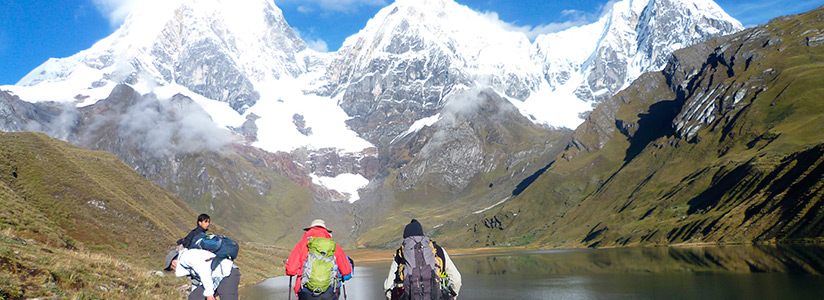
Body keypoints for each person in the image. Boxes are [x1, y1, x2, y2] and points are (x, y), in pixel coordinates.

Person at [384, 219, 461, 300]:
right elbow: (456, 279)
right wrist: (453, 295)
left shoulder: (400, 253)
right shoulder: (438, 250)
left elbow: (387, 286)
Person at [285, 219, 353, 300]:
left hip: (306, 292)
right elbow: (346, 271)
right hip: (330, 292)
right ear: (326, 231)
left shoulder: (302, 245)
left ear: (309, 230)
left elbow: (291, 270)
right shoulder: (334, 246)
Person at [163, 248, 241, 300]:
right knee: (194, 297)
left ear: (173, 263)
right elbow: (196, 283)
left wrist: (209, 294)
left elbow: (204, 270)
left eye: (171, 269)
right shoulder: (187, 266)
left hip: (227, 273)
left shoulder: (186, 257)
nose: (173, 270)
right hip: (215, 277)